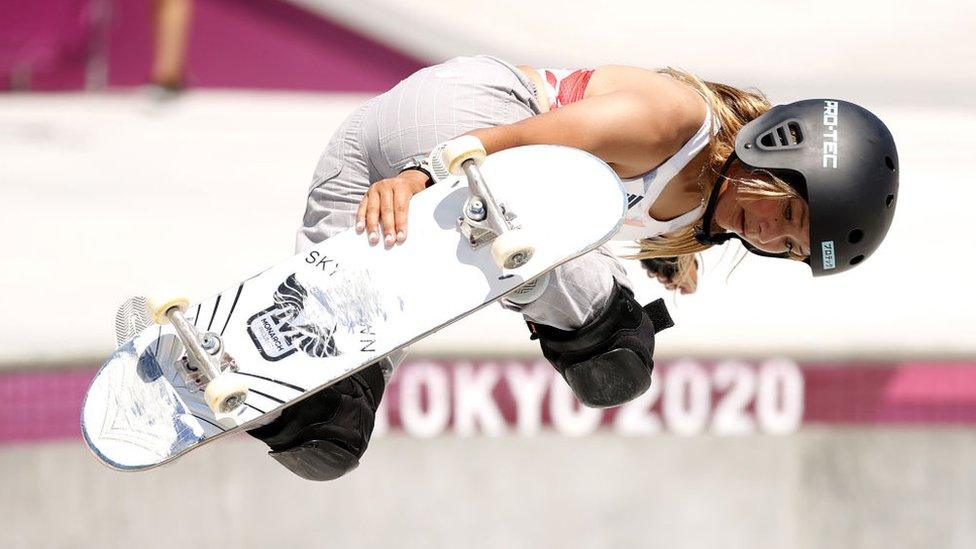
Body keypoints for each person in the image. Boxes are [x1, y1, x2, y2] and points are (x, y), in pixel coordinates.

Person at [247, 56, 899, 480]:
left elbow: (634, 200)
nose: (769, 235)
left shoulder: (704, 210)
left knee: (327, 428)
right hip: (464, 129)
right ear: (776, 148)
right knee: (614, 349)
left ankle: (207, 357)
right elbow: (532, 142)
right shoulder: (673, 119)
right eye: (786, 211)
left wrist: (672, 252)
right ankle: (516, 265)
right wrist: (425, 175)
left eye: (788, 248)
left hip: (364, 152)